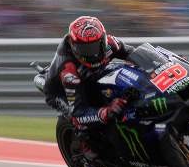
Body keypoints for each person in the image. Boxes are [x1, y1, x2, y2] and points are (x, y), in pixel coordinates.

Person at [41, 16, 134, 156]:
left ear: (103, 39)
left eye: (96, 46)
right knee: (79, 119)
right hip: (60, 92)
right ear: (74, 46)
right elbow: (79, 112)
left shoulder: (110, 43)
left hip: (88, 76)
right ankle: (84, 143)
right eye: (87, 49)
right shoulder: (68, 71)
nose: (94, 53)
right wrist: (106, 112)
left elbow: (133, 53)